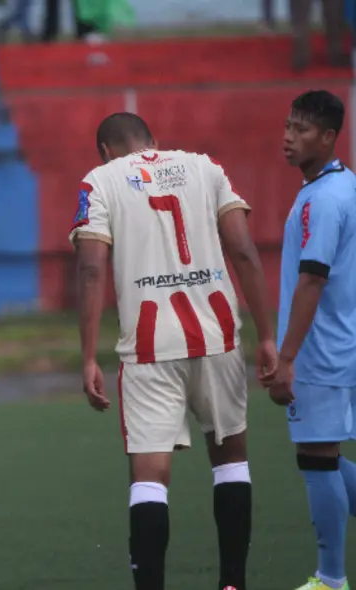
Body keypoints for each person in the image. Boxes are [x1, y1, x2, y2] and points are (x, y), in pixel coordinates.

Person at [70, 113, 278, 590]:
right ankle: (232, 584)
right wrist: (267, 334)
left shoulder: (99, 181)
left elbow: (90, 270)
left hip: (149, 345)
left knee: (150, 478)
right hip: (217, 335)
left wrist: (87, 357)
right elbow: (243, 251)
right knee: (230, 462)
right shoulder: (205, 167)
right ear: (153, 141)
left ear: (105, 150)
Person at [269, 89, 356, 590]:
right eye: (287, 126)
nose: (288, 136)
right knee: (327, 457)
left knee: (316, 458)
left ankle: (331, 578)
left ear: (328, 137)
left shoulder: (321, 200)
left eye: (301, 130)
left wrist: (286, 357)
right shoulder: (342, 185)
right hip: (339, 342)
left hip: (321, 352)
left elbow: (312, 279)